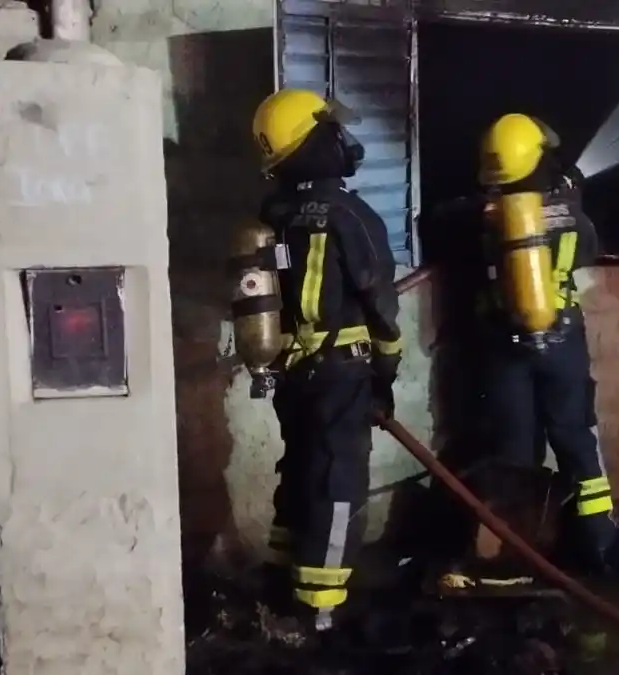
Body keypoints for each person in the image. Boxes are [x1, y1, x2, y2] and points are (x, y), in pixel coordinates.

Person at [473, 112, 619, 580]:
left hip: (505, 346)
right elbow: (589, 249)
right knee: (575, 440)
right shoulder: (571, 214)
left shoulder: (487, 218)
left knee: (515, 452)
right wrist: (568, 196)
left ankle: (519, 552)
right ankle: (597, 541)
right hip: (561, 341)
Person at [251, 88, 404, 632]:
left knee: (300, 467)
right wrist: (386, 370)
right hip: (342, 372)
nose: (343, 138)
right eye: (331, 129)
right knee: (337, 480)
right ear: (315, 142)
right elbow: (380, 303)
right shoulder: (351, 215)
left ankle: (279, 579)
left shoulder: (273, 213)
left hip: (291, 371)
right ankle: (320, 608)